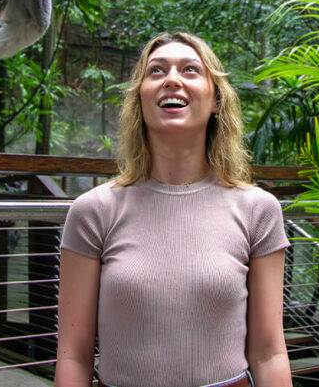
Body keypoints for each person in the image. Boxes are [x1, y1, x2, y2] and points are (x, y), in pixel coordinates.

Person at [54, 32, 292, 387]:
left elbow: (268, 353)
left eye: (191, 70)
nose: (172, 80)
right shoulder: (94, 211)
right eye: (156, 71)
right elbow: (74, 355)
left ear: (216, 101)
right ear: (140, 99)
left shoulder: (257, 209)